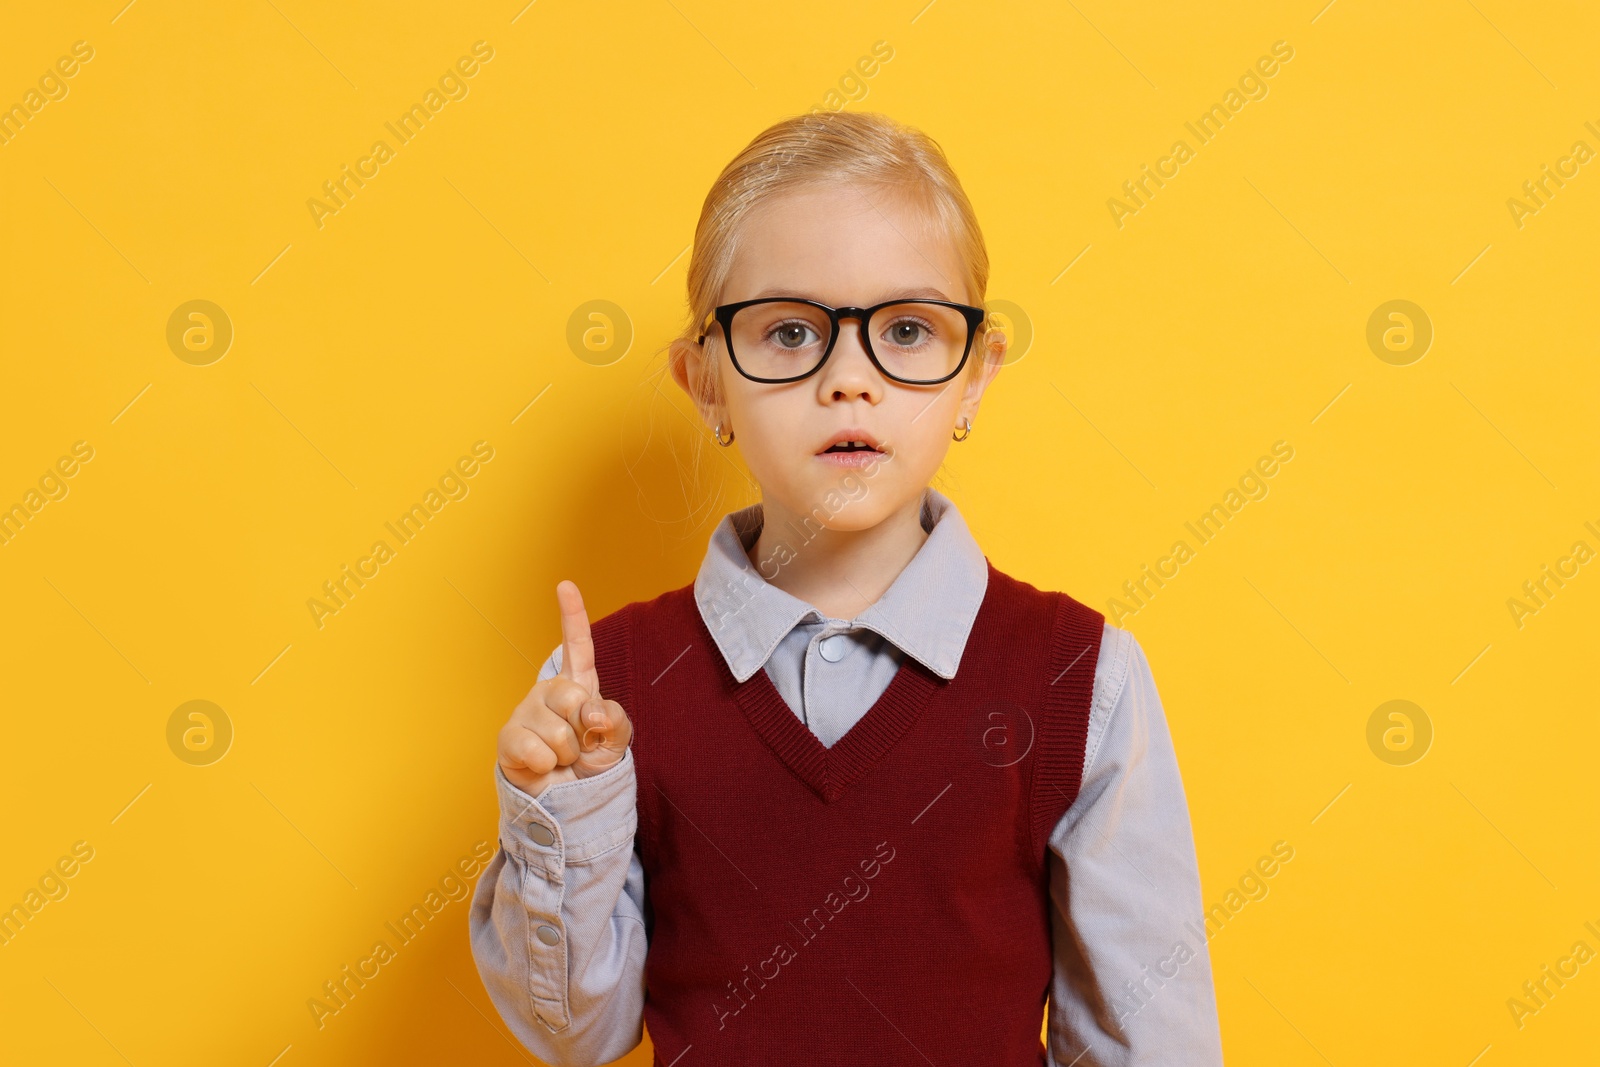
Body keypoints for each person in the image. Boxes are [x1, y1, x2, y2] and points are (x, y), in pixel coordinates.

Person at [469, 109, 1224, 1066]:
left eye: (906, 330)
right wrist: (566, 812)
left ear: (975, 378)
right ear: (705, 384)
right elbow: (573, 1036)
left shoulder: (1082, 677)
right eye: (790, 332)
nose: (849, 378)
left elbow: (1151, 1038)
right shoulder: (601, 694)